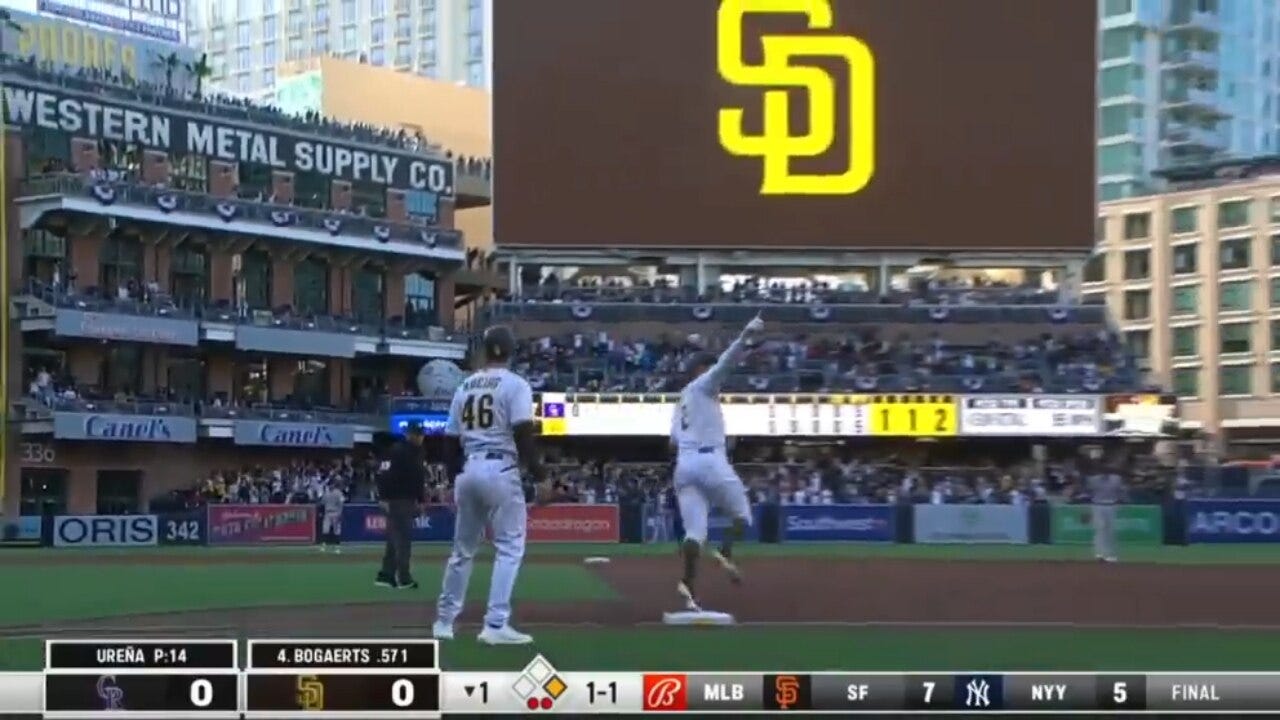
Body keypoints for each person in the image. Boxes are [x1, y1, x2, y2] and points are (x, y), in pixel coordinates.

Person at [433, 325, 552, 645]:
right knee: (510, 547)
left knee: (462, 551)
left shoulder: (465, 386)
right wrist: (540, 476)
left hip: (469, 467)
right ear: (511, 351)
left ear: (485, 351)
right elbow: (523, 434)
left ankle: (444, 622)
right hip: (501, 468)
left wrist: (450, 479)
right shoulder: (516, 384)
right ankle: (495, 624)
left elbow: (449, 442)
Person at [671, 312, 765, 611]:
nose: (712, 370)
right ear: (698, 369)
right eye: (706, 366)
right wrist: (746, 334)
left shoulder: (683, 400)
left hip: (684, 465)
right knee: (742, 516)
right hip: (709, 461)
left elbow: (672, 439)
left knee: (694, 533)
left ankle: (688, 585)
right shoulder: (703, 386)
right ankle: (725, 551)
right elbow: (727, 362)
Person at [375, 422, 427, 588]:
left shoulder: (415, 453)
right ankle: (403, 577)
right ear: (408, 434)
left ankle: (386, 575)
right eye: (416, 434)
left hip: (406, 499)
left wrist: (419, 500)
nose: (419, 437)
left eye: (420, 434)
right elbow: (383, 474)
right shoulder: (397, 451)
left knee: (394, 539)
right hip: (398, 499)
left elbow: (418, 479)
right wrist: (383, 497)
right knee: (403, 540)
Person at [1088, 464, 1125, 563]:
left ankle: (1110, 554)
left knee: (1110, 530)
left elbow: (1121, 492)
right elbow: (1089, 492)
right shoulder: (1093, 480)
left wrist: (1121, 501)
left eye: (1107, 470)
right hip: (1098, 505)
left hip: (1111, 505)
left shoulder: (1116, 479)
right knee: (1100, 529)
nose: (1105, 472)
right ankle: (1099, 554)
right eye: (1103, 470)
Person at [319, 483, 345, 553]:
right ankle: (323, 547)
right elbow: (322, 502)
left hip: (335, 513)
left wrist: (340, 513)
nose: (331, 486)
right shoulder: (326, 493)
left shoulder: (338, 493)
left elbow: (341, 503)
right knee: (325, 530)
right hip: (328, 513)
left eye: (332, 484)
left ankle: (337, 548)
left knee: (336, 531)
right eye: (330, 485)